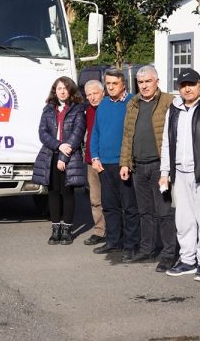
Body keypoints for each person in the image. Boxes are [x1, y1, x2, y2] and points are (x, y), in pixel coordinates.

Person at [158, 69, 200, 282]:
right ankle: (187, 260)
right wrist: (165, 172)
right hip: (180, 173)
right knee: (184, 220)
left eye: (191, 84)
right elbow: (167, 142)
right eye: (183, 85)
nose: (187, 89)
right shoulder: (174, 109)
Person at [119, 65, 175, 272]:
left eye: (148, 81)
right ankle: (147, 249)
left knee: (164, 211)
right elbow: (127, 135)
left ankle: (169, 253)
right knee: (144, 211)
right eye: (140, 82)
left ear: (157, 81)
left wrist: (169, 168)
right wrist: (125, 163)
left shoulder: (169, 101)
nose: (144, 86)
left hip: (160, 166)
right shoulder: (133, 103)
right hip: (138, 166)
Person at [90, 69, 140, 261]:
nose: (110, 87)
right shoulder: (103, 104)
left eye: (114, 83)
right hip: (104, 164)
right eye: (108, 83)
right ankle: (113, 241)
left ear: (123, 84)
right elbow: (96, 132)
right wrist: (95, 157)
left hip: (124, 163)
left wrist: (127, 161)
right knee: (109, 206)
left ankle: (131, 244)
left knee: (129, 207)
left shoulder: (132, 102)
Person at [32, 76, 86, 245]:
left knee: (68, 193)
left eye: (65, 88)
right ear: (54, 91)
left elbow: (78, 134)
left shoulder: (78, 109)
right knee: (53, 192)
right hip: (50, 155)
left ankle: (67, 230)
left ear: (71, 90)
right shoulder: (48, 109)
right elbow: (43, 133)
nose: (62, 91)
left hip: (70, 156)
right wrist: (58, 146)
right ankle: (55, 229)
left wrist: (63, 156)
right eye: (59, 88)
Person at [82, 80, 107, 246]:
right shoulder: (87, 110)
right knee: (95, 198)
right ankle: (99, 230)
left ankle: (116, 231)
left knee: (113, 199)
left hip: (109, 160)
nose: (92, 97)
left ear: (103, 93)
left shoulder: (110, 107)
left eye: (95, 93)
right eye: (89, 95)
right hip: (91, 160)